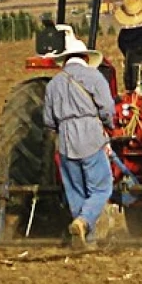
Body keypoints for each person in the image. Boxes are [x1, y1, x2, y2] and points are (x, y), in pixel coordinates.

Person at [43, 31, 115, 248]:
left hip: (65, 140)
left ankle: (86, 239)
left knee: (76, 192)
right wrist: (109, 126)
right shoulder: (94, 77)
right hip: (90, 135)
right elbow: (107, 108)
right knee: (102, 188)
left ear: (65, 59)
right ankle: (84, 221)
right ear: (85, 58)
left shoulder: (53, 83)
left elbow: (48, 119)